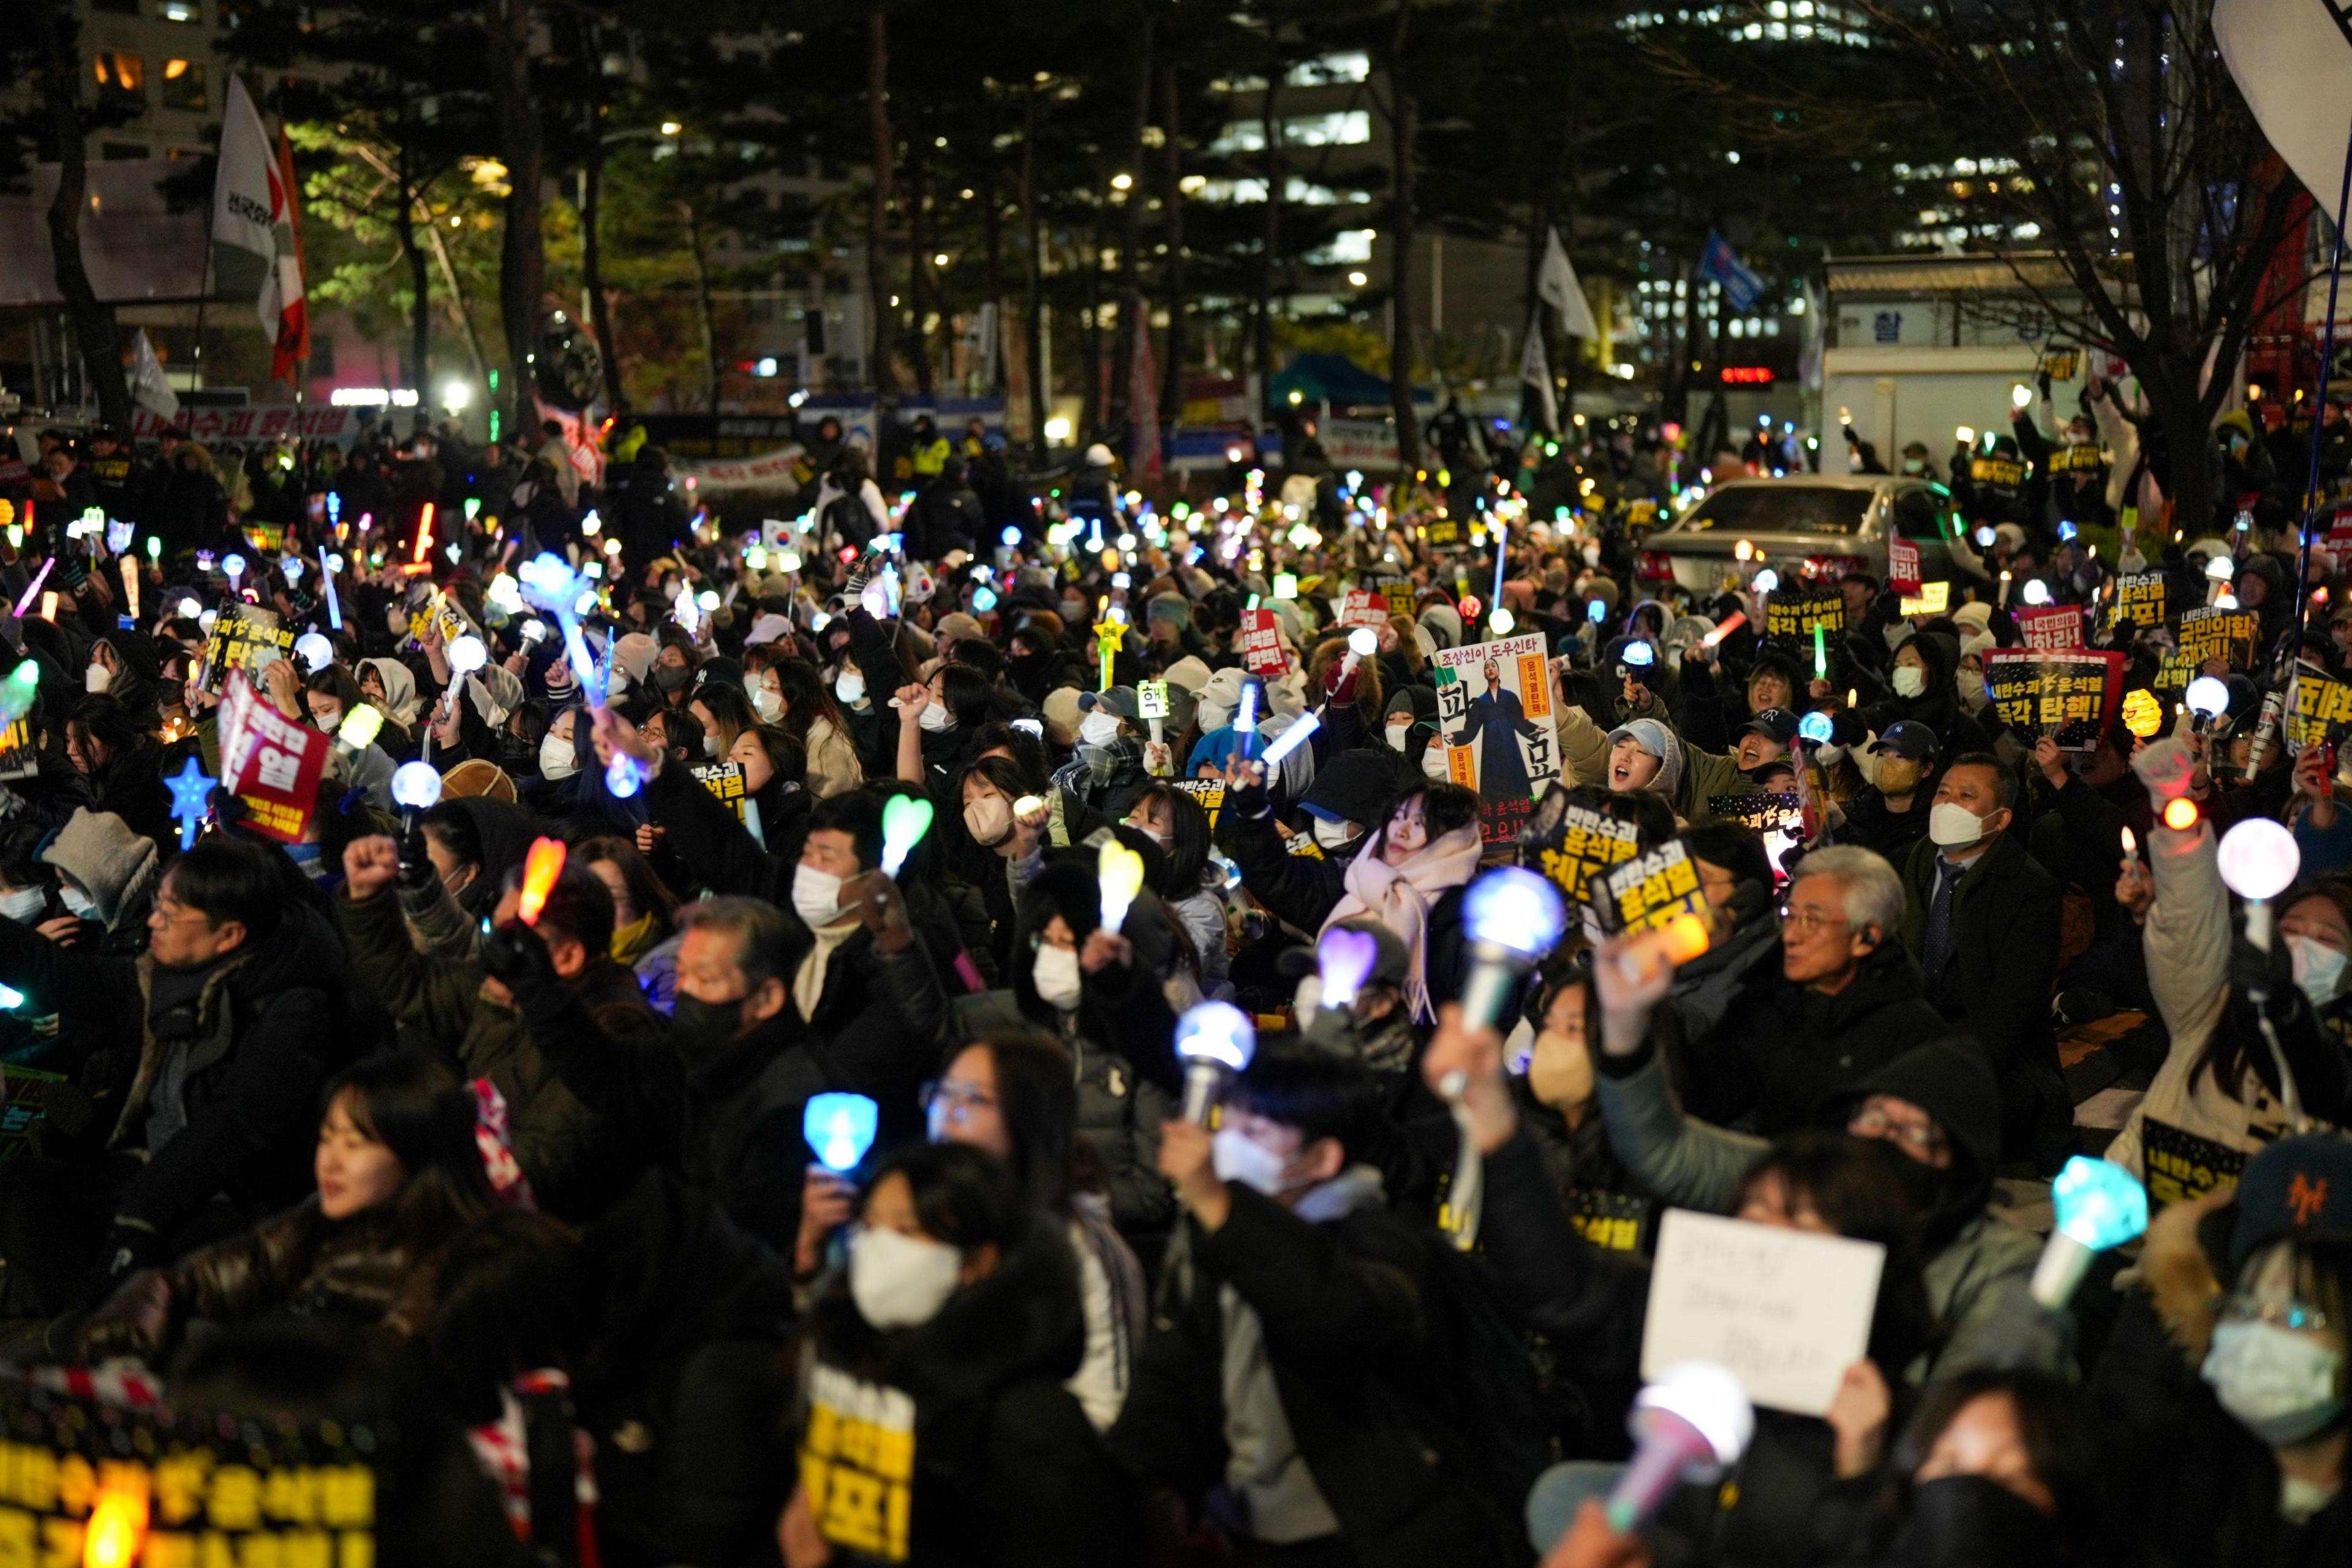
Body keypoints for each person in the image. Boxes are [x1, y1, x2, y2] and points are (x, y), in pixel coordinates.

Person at [1109, 1049, 1532, 1568]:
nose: (1226, 1149)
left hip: (1371, 1539)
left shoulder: (1387, 1242)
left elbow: (1335, 1313)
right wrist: (1148, 1482)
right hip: (1244, 1530)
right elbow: (1173, 1372)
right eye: (1227, 1127)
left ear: (1321, 1159)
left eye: (1256, 1135)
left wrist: (1220, 1204)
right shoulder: (1218, 1238)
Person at [781, 1142, 1140, 1567]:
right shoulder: (847, 1368)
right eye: (871, 1226)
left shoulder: (1031, 1424)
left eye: (906, 1231)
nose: (879, 1248)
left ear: (978, 1261)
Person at [77, 1050, 502, 1362]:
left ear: (419, 1153)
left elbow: (382, 1375)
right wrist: (139, 1309)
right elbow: (208, 1276)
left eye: (354, 1143)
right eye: (327, 1137)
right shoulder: (320, 1224)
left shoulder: (460, 1263)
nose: (330, 1161)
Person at [1899, 752, 2070, 1166]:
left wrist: (1949, 1072)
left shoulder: (2029, 888)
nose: (1947, 804)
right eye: (1943, 792)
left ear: (2001, 819)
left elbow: (2010, 1010)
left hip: (1993, 1056)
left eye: (1966, 796)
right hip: (1914, 1037)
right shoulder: (1915, 863)